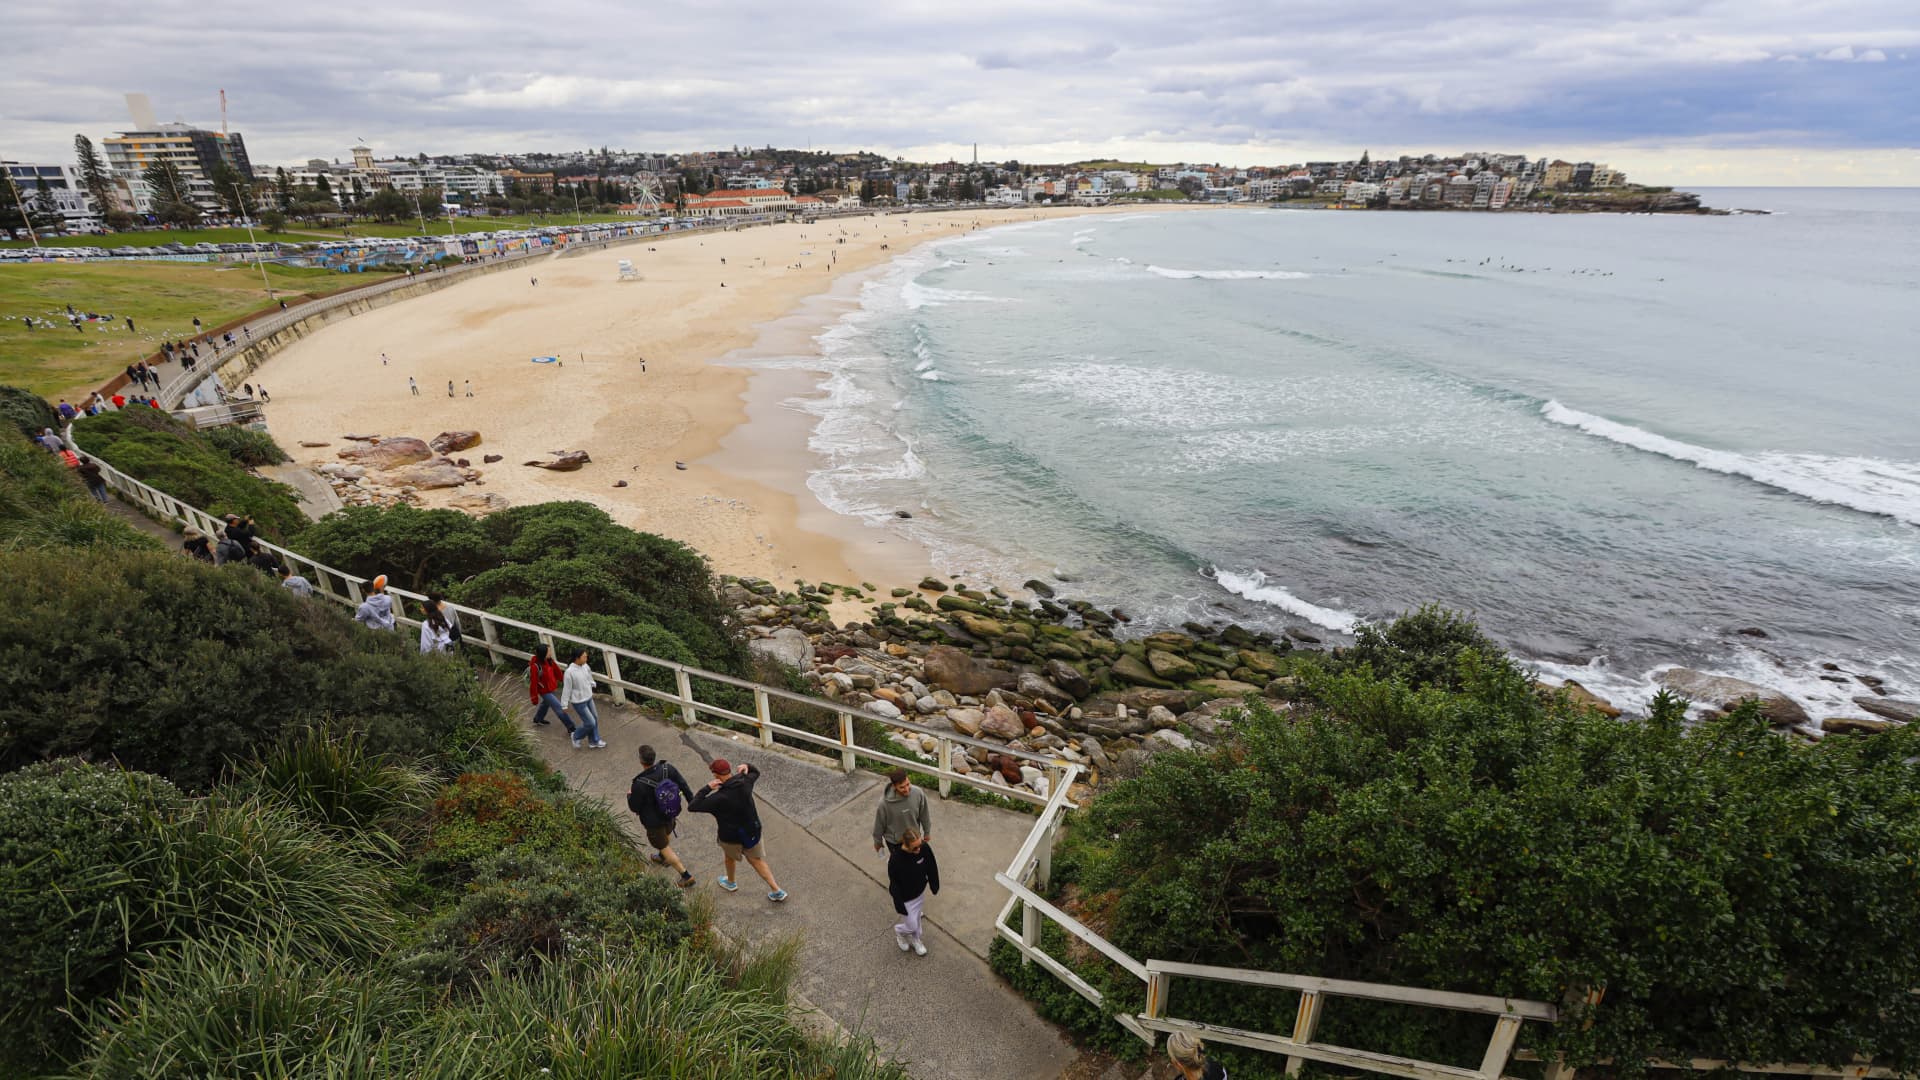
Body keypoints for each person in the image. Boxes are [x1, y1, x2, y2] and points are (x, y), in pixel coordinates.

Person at [688, 759, 787, 902]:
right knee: (757, 861)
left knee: (729, 858)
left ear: (715, 775)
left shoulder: (717, 798)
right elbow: (755, 772)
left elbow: (692, 806)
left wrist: (707, 788)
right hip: (751, 831)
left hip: (731, 837)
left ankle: (731, 882)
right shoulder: (745, 782)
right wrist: (747, 766)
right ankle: (776, 890)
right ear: (729, 770)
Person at [627, 745, 696, 888]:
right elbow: (683, 785)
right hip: (670, 813)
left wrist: (629, 796)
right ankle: (662, 857)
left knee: (663, 845)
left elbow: (634, 807)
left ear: (641, 761)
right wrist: (692, 802)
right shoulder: (667, 769)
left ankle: (686, 875)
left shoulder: (639, 784)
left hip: (654, 822)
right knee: (666, 833)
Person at [886, 827, 940, 956]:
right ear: (905, 844)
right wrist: (899, 904)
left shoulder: (923, 848)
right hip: (906, 899)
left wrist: (934, 884)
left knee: (916, 920)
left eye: (919, 845)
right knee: (912, 925)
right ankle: (899, 932)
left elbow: (931, 865)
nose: (919, 850)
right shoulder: (896, 859)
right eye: (915, 848)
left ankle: (916, 940)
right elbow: (894, 883)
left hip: (919, 894)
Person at [873, 767, 933, 855]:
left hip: (914, 839)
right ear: (894, 786)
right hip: (895, 842)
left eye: (908, 784)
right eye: (902, 787)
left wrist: (927, 832)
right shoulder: (884, 804)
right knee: (899, 863)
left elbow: (924, 815)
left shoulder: (918, 793)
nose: (907, 789)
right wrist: (878, 842)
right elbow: (879, 824)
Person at [561, 647, 605, 749]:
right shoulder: (569, 672)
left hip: (588, 697)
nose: (586, 658)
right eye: (584, 657)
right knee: (590, 723)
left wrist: (592, 683)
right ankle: (576, 736)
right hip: (579, 702)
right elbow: (566, 689)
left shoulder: (585, 666)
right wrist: (564, 705)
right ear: (577, 658)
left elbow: (589, 677)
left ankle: (594, 741)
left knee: (595, 718)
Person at [527, 643, 575, 732]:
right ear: (543, 653)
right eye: (548, 651)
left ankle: (538, 718)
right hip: (544, 691)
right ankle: (571, 728)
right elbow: (533, 683)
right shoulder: (535, 667)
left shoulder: (549, 661)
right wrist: (534, 698)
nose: (550, 653)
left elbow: (557, 672)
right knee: (559, 708)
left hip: (551, 688)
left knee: (545, 704)